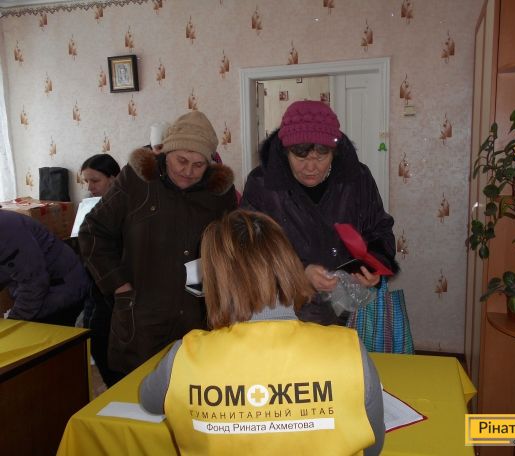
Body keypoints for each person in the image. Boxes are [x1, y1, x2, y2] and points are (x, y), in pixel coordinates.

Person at [140, 210, 384, 455]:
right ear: (289, 265)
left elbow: (149, 401)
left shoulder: (186, 356)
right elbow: (372, 447)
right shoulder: (348, 351)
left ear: (214, 281)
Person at [79, 110, 237, 377]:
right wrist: (118, 285)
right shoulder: (137, 180)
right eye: (181, 161)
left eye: (198, 164)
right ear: (166, 152)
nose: (188, 171)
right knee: (136, 387)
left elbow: (231, 247)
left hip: (197, 316)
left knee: (191, 386)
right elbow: (92, 231)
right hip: (141, 315)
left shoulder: (219, 193)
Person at [241, 100, 398, 325]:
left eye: (321, 157)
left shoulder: (358, 179)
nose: (311, 168)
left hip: (346, 308)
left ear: (334, 152)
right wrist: (300, 272)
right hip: (285, 308)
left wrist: (373, 267)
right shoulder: (261, 184)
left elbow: (380, 230)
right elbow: (248, 247)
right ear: (286, 153)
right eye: (301, 157)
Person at [0, 209, 89, 326]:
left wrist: (13, 322)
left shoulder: (6, 231)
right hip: (33, 290)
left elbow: (34, 283)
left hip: (59, 292)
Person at [79, 153, 122, 386]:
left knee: (106, 341)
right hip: (95, 286)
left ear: (114, 178)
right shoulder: (91, 207)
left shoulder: (126, 208)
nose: (90, 187)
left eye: (95, 181)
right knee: (94, 337)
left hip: (115, 286)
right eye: (86, 181)